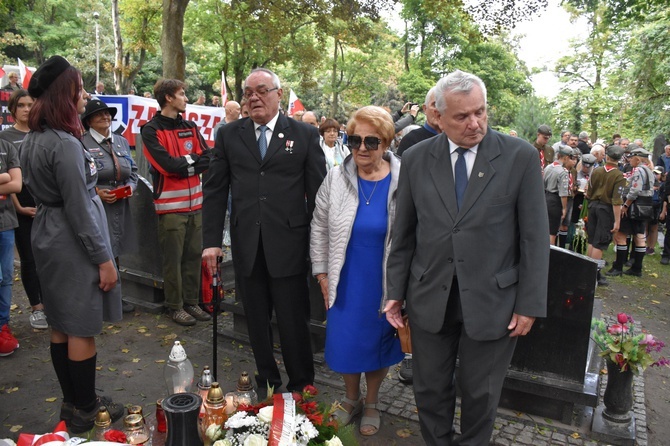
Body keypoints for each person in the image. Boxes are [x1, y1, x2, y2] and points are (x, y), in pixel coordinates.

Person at [384, 70, 549, 445]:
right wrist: (394, 290)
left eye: (480, 112)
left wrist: (529, 305)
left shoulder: (519, 156)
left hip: (494, 301)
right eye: (462, 116)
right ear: (437, 117)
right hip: (429, 296)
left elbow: (535, 239)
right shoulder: (415, 157)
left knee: (481, 394)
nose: (475, 123)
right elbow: (405, 232)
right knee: (429, 390)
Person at [202, 68, 327, 394]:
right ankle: (267, 384)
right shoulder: (230, 134)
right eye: (248, 93)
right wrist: (211, 243)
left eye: (261, 90)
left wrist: (320, 249)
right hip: (247, 244)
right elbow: (215, 190)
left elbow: (318, 197)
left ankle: (302, 384)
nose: (254, 97)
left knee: (292, 321)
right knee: (255, 321)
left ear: (278, 94)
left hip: (289, 244)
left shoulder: (303, 135)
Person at [19, 55, 124, 431]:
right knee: (80, 326)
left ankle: (72, 402)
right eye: (78, 90)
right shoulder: (64, 143)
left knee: (61, 324)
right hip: (71, 239)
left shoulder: (35, 137)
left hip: (49, 233)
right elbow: (79, 208)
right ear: (64, 95)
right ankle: (86, 406)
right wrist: (104, 259)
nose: (84, 96)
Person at [310, 106, 403, 436]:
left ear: (387, 142)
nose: (361, 148)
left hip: (382, 280)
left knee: (377, 343)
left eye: (371, 141)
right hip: (344, 278)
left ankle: (373, 401)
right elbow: (319, 225)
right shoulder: (336, 177)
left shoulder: (403, 181)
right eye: (354, 139)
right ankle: (351, 398)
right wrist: (321, 273)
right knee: (347, 341)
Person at [141, 79, 212, 326]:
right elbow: (167, 166)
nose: (186, 98)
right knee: (173, 259)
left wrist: (185, 163)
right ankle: (175, 306)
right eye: (182, 94)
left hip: (196, 205)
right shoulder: (150, 130)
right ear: (168, 98)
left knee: (193, 256)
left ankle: (192, 302)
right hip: (171, 208)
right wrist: (191, 162)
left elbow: (208, 158)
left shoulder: (190, 126)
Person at [81, 99, 139, 313]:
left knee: (116, 250)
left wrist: (131, 188)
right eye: (99, 114)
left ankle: (115, 298)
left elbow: (133, 171)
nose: (106, 117)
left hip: (120, 205)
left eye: (108, 113)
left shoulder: (121, 142)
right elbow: (79, 177)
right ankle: (97, 298)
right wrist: (96, 192)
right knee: (98, 250)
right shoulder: (81, 143)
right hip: (96, 206)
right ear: (88, 121)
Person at [0, 90, 47, 330]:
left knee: (49, 256)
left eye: (31, 104)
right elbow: (10, 179)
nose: (27, 109)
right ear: (13, 109)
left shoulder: (43, 134)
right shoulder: (6, 137)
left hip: (46, 204)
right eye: (21, 105)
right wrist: (19, 207)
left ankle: (51, 303)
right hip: (19, 205)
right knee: (29, 258)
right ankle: (36, 307)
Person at [606, 147, 654, 277]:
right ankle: (637, 268)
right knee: (639, 236)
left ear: (637, 159)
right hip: (645, 206)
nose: (629, 160)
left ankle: (618, 267)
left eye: (631, 158)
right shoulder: (649, 170)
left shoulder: (638, 170)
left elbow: (635, 190)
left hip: (634, 206)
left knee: (621, 235)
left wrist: (626, 205)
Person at [585, 145, 627, 286]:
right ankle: (594, 275)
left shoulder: (596, 171)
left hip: (593, 206)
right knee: (600, 242)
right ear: (619, 159)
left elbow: (589, 192)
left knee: (592, 240)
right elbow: (616, 201)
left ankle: (587, 270)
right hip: (606, 209)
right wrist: (617, 221)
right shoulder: (619, 176)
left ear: (607, 157)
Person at [0, 128, 22, 356]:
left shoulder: (6, 146)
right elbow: (9, 179)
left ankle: (2, 327)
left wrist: (8, 178)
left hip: (5, 222)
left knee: (5, 277)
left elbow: (16, 184)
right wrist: (3, 176)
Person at [543, 146, 577, 245]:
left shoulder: (548, 167)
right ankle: (550, 256)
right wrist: (564, 208)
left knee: (545, 228)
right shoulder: (562, 172)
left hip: (546, 197)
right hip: (555, 200)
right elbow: (563, 193)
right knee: (552, 232)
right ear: (565, 157)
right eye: (570, 157)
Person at [397, 87, 441, 157]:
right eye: (435, 105)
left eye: (443, 105)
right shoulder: (410, 140)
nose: (438, 110)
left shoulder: (455, 139)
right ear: (425, 109)